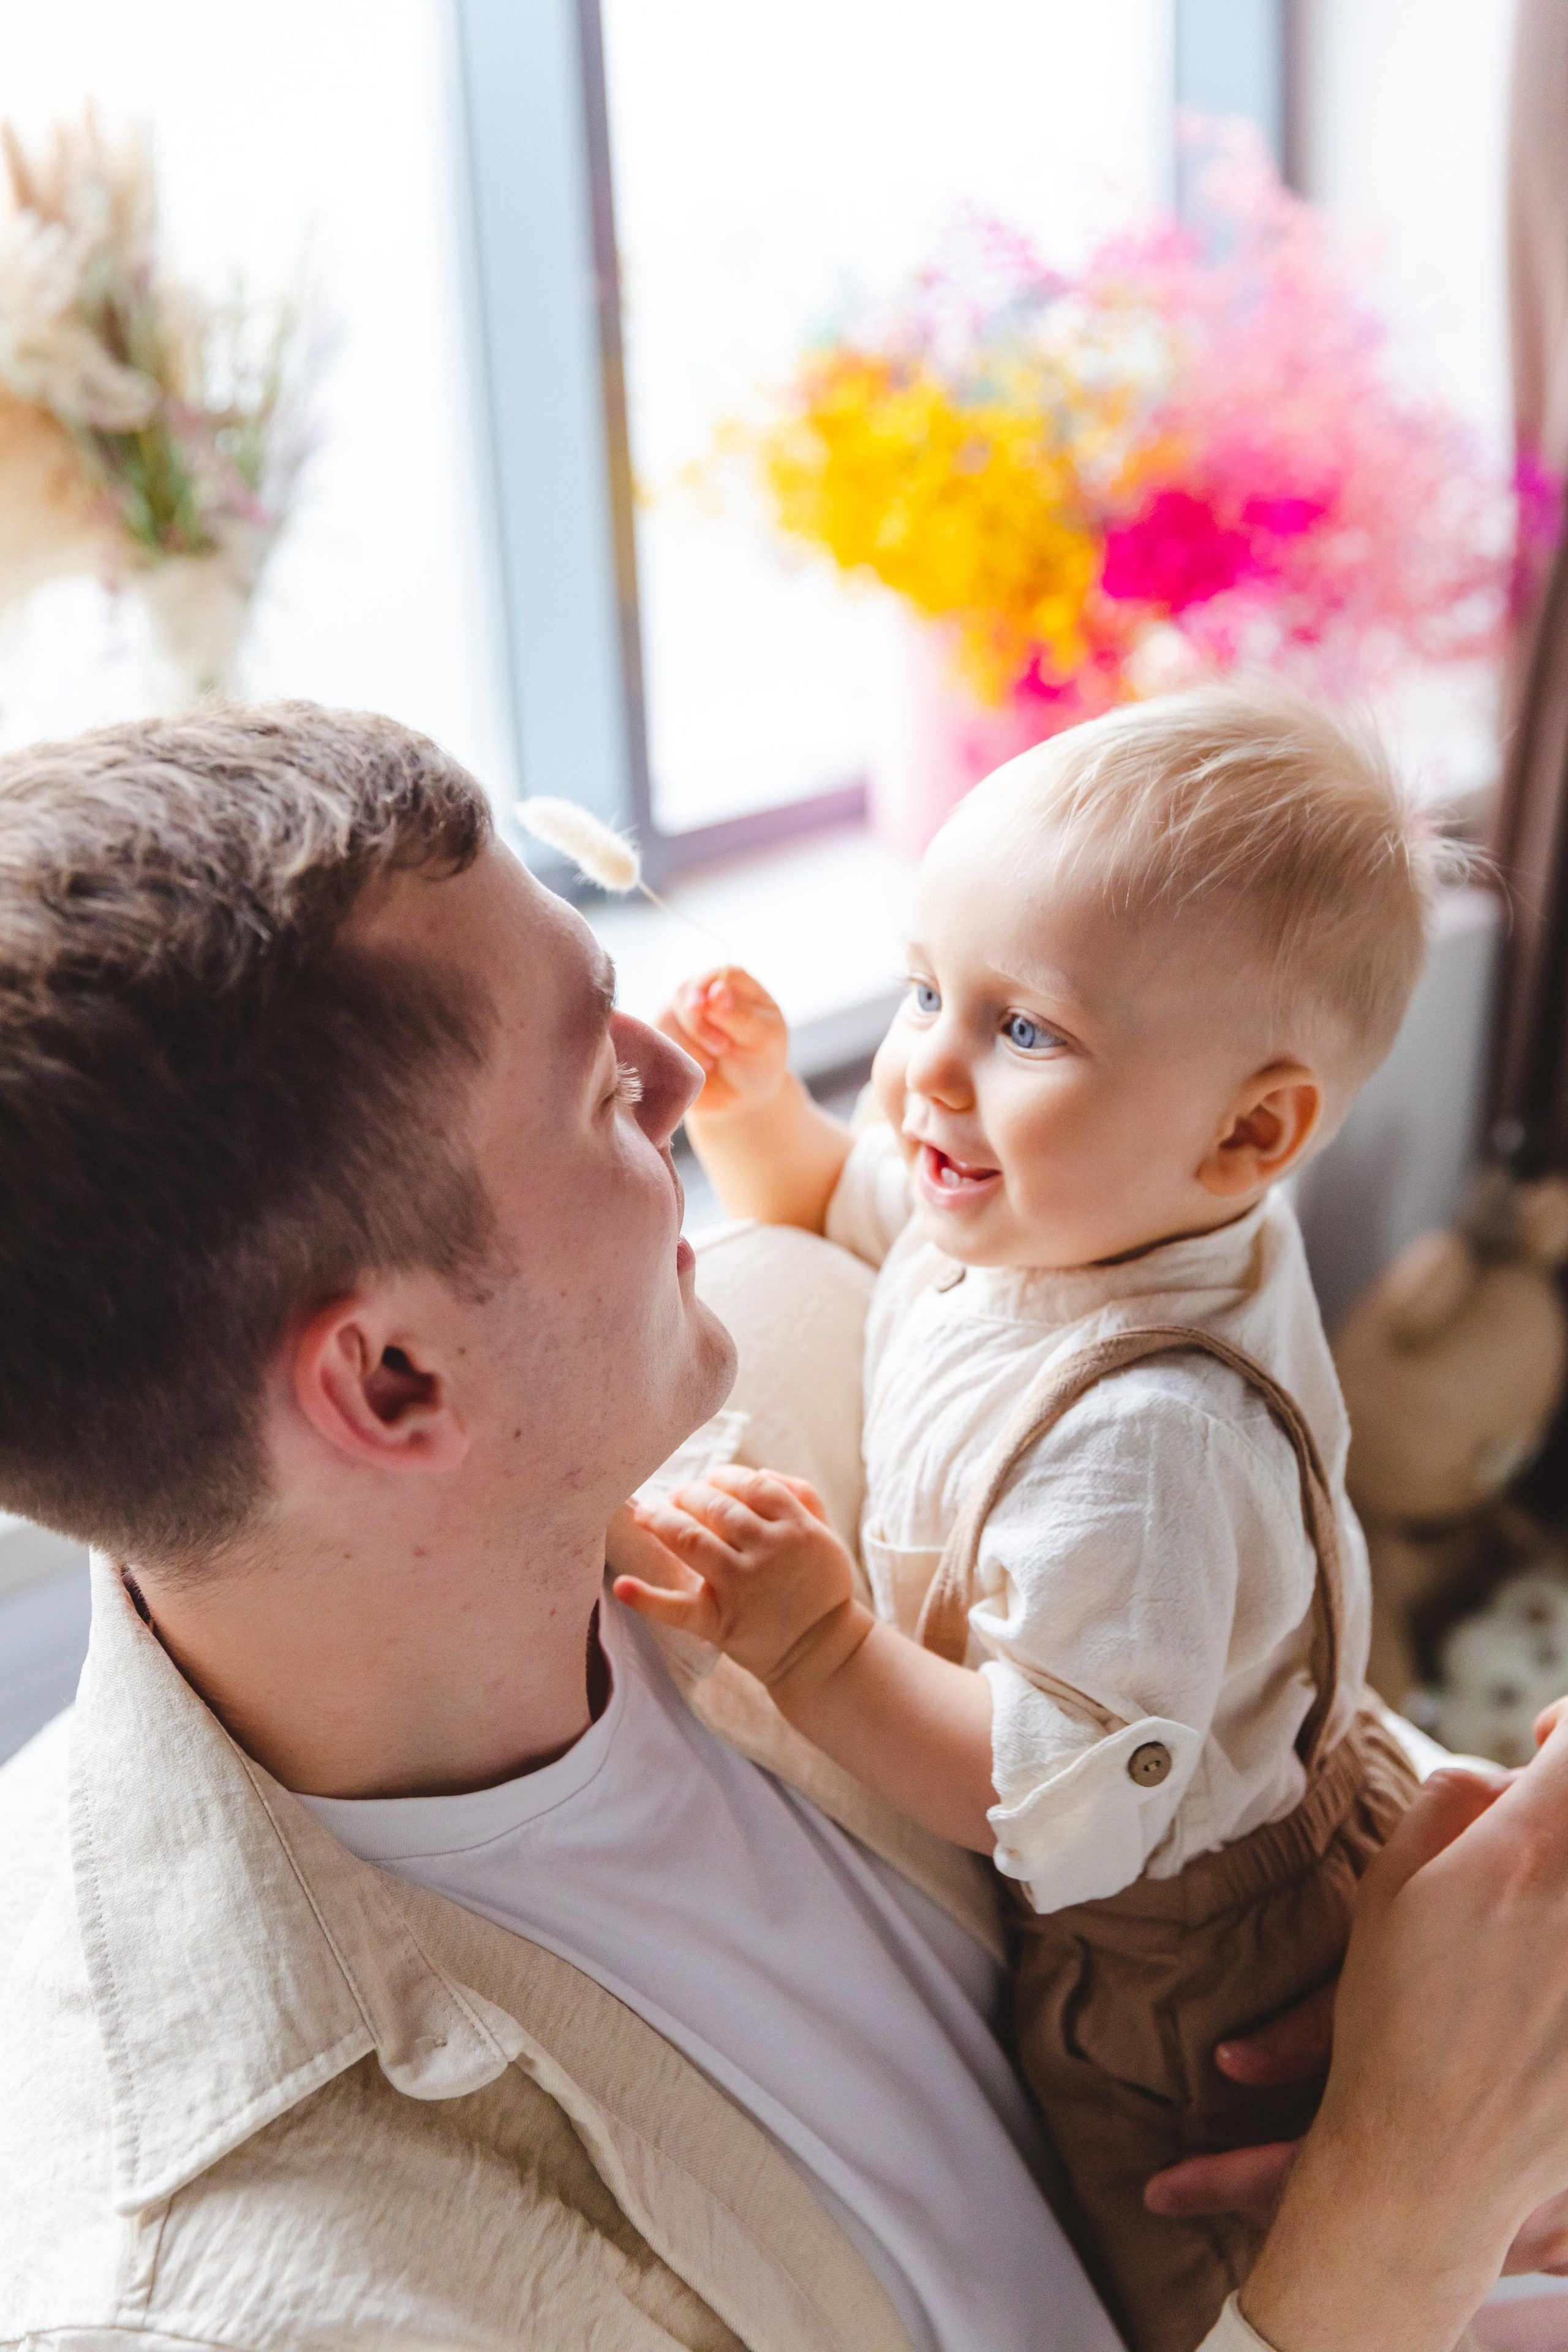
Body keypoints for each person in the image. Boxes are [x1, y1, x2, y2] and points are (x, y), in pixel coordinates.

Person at [0, 701, 1565, 2352]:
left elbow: (1193, 1664)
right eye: (594, 1081)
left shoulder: (792, 1348)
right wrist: (1406, 2193)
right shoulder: (268, 2296)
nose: (678, 1079)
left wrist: (1470, 2028)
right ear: (393, 1380)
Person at [620, 684, 1453, 2350]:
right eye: (930, 985)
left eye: (1024, 1029)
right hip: (1289, 1780)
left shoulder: (1140, 1451)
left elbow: (1041, 1798)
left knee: (1184, 2270)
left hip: (1183, 1977)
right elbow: (843, 1204)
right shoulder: (1060, 1208)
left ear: (1251, 1130)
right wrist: (756, 1113)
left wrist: (819, 1642)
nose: (925, 1068)